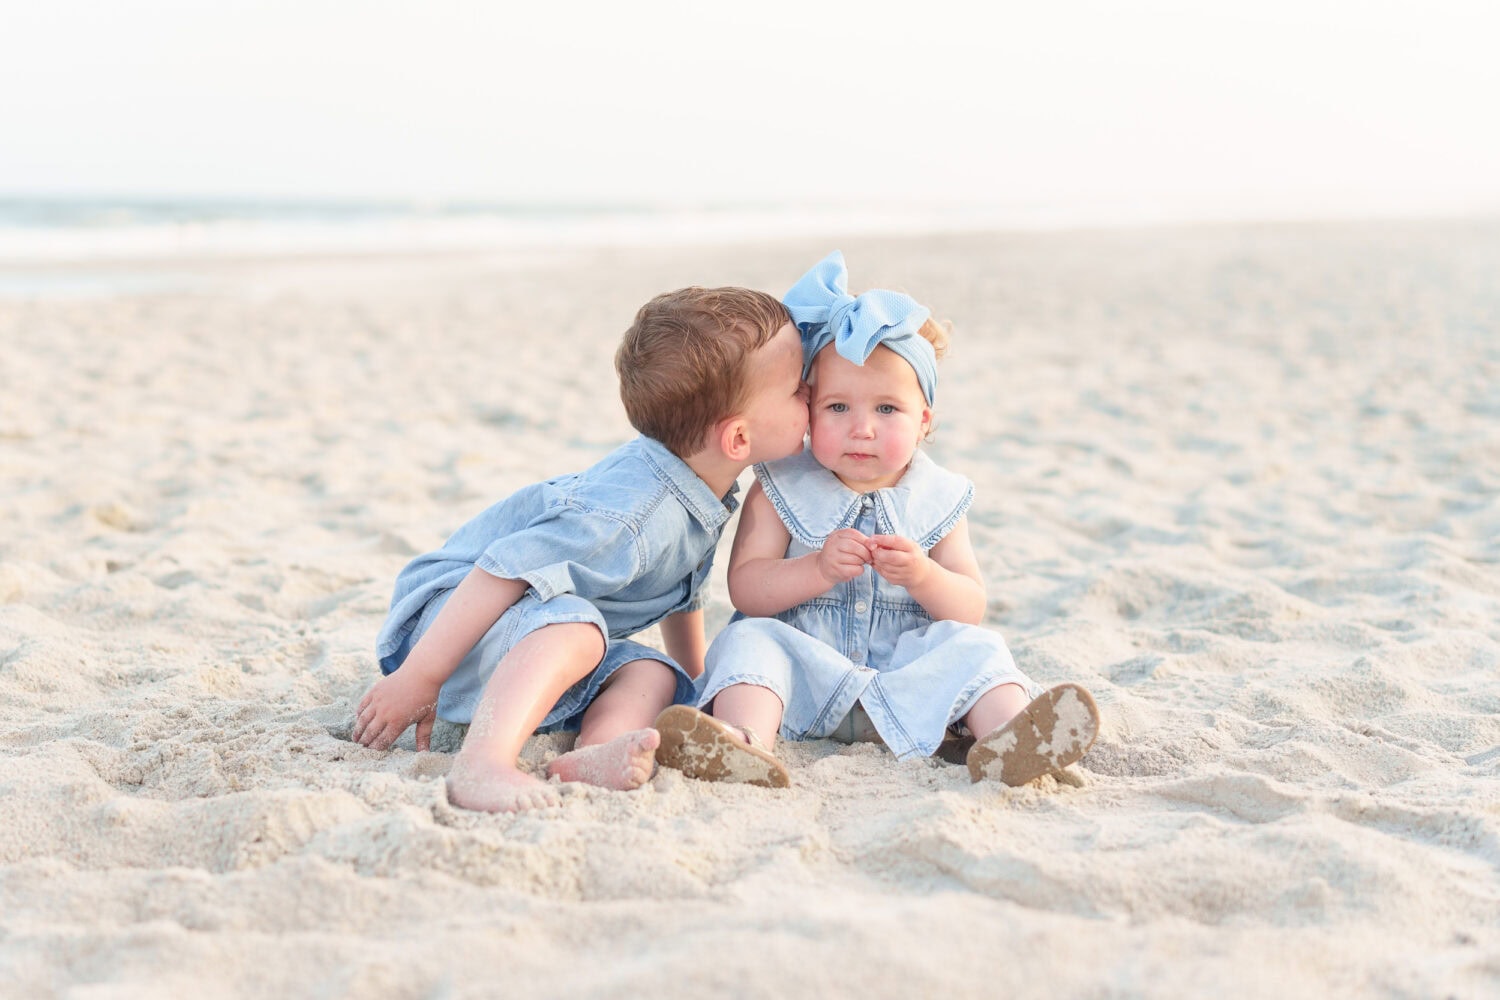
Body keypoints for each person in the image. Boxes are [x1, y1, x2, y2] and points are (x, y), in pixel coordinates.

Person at [353, 285, 810, 813]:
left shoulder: (700, 484)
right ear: (737, 439)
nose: (811, 393)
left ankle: (595, 752)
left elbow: (683, 590)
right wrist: (419, 678)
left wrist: (696, 679)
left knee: (654, 673)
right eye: (799, 388)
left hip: (527, 631)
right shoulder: (632, 514)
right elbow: (502, 570)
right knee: (580, 631)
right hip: (454, 621)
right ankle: (483, 763)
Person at [655, 251, 1100, 788]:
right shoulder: (780, 486)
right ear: (809, 411)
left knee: (977, 649)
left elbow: (970, 605)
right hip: (805, 675)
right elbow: (747, 587)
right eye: (838, 408)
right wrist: (815, 570)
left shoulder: (937, 497)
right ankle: (742, 742)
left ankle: (1010, 737)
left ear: (923, 422)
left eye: (887, 410)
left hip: (907, 679)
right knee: (750, 644)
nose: (861, 428)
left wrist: (924, 576)